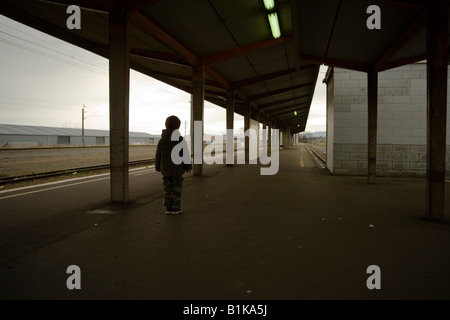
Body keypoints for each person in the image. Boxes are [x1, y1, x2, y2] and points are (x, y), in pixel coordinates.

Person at [155, 115, 192, 215]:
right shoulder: (180, 140)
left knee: (167, 190)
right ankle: (176, 208)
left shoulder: (162, 141)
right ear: (178, 127)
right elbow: (185, 155)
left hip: (165, 170)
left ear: (166, 125)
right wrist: (188, 167)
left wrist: (158, 167)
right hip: (177, 170)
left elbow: (158, 155)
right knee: (177, 190)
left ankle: (168, 209)